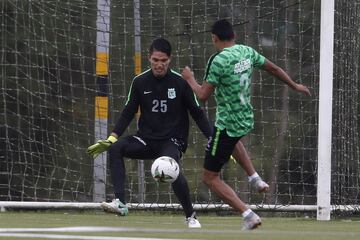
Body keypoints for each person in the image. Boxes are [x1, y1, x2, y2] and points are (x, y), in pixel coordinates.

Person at [181, 19, 311, 230]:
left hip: (226, 125)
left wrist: (189, 79)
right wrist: (294, 85)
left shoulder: (219, 60)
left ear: (214, 38)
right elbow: (274, 68)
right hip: (246, 119)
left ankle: (248, 214)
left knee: (209, 177)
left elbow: (202, 95)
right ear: (234, 36)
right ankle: (255, 178)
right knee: (234, 140)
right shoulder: (247, 52)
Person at [87, 38, 213, 228]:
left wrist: (214, 138)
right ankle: (120, 203)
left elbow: (197, 113)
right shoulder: (140, 81)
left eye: (163, 60)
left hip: (172, 140)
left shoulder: (179, 83)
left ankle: (191, 216)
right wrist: (112, 137)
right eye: (155, 60)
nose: (159, 64)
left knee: (169, 166)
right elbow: (128, 111)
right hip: (145, 139)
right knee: (116, 148)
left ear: (170, 59)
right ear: (149, 58)